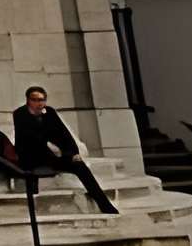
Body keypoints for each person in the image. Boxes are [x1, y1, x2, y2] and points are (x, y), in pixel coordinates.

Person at [10, 86, 118, 215]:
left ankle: (104, 204)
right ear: (28, 100)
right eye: (36, 100)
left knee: (80, 166)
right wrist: (50, 144)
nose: (40, 103)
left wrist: (73, 153)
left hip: (51, 156)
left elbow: (64, 133)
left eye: (42, 100)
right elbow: (30, 138)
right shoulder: (20, 114)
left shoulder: (49, 112)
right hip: (32, 156)